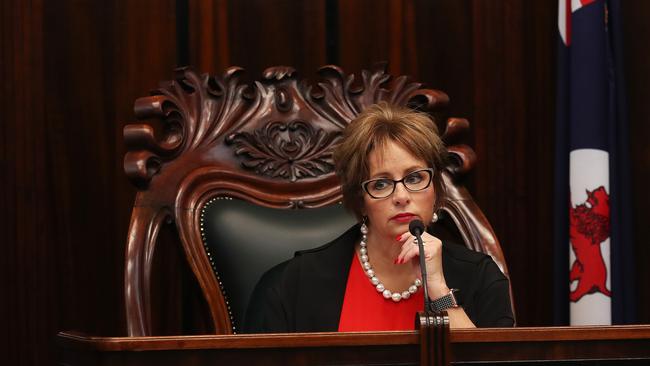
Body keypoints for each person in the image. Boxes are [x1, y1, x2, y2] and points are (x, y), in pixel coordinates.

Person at [244, 102, 514, 332]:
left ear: (436, 190)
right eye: (381, 184)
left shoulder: (481, 278)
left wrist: (440, 292)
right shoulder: (292, 285)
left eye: (415, 178)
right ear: (360, 201)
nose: (401, 196)